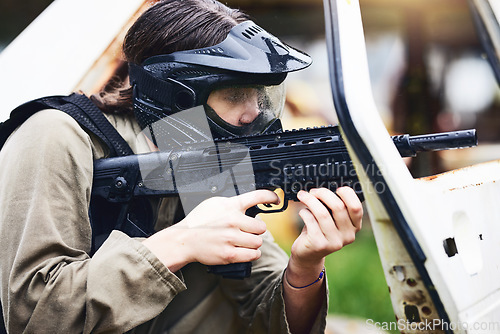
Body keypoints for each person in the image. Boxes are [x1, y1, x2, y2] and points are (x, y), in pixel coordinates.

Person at [0, 0, 363, 333]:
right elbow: (33, 316)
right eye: (236, 94)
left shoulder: (206, 150)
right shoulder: (54, 134)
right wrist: (181, 243)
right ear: (176, 95)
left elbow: (268, 319)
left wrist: (304, 266)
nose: (255, 111)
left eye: (261, 94)